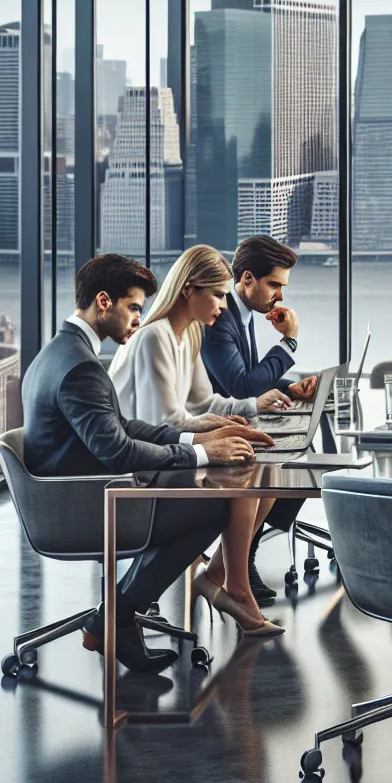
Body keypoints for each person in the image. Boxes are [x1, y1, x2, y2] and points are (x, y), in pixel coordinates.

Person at [20, 254, 264, 673]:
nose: (139, 317)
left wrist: (198, 439)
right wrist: (203, 454)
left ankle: (116, 617)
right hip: (84, 505)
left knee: (203, 494)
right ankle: (115, 615)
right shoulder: (80, 368)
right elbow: (118, 451)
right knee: (216, 507)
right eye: (133, 307)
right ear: (103, 302)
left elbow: (123, 426)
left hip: (78, 492)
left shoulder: (61, 352)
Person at [110, 245, 284, 637]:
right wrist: (221, 433)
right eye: (218, 294)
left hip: (165, 451)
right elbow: (162, 423)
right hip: (138, 467)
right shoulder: (154, 337)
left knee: (267, 474)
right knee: (244, 472)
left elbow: (203, 402)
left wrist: (242, 416)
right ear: (189, 290)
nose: (224, 305)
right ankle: (234, 587)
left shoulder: (187, 334)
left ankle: (218, 574)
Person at [200, 235, 319, 600]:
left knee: (301, 451)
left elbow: (250, 376)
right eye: (275, 284)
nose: (279, 295)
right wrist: (289, 343)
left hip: (236, 416)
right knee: (286, 457)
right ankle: (240, 559)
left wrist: (287, 389)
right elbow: (239, 385)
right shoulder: (221, 320)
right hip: (216, 424)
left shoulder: (244, 314)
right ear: (247, 278)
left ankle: (242, 552)